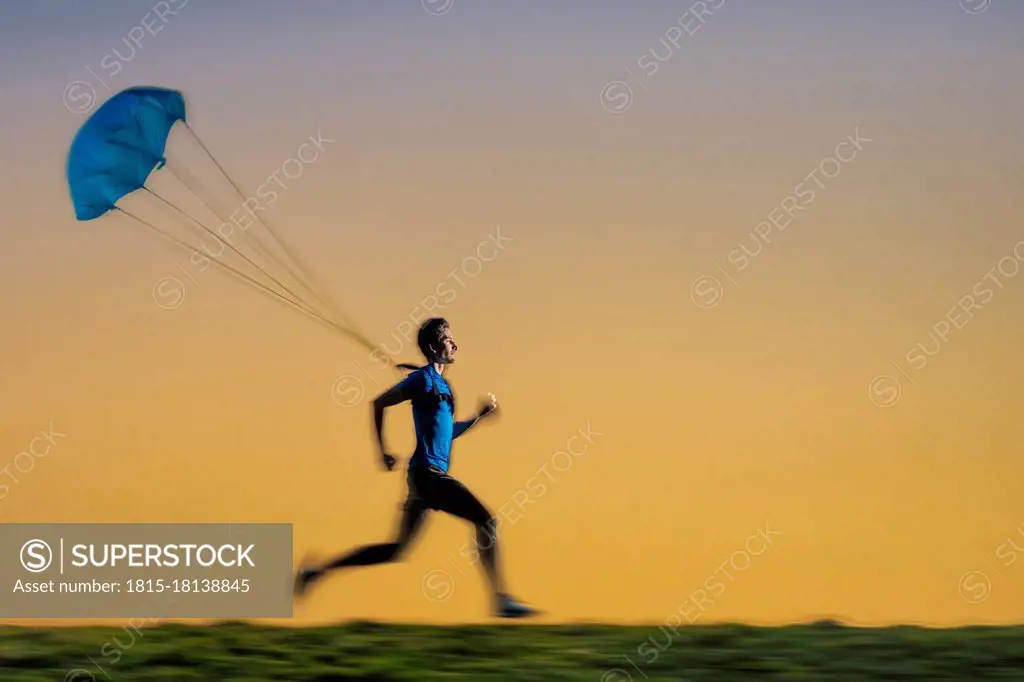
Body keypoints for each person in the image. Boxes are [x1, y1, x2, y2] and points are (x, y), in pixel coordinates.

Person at [293, 317, 537, 618]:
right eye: (449, 339)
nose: (455, 344)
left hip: (423, 479)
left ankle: (314, 572)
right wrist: (382, 451)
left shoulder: (441, 386)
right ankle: (501, 600)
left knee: (395, 550)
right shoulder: (421, 380)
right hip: (428, 475)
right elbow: (378, 404)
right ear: (435, 347)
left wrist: (478, 417)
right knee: (485, 520)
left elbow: (448, 434)